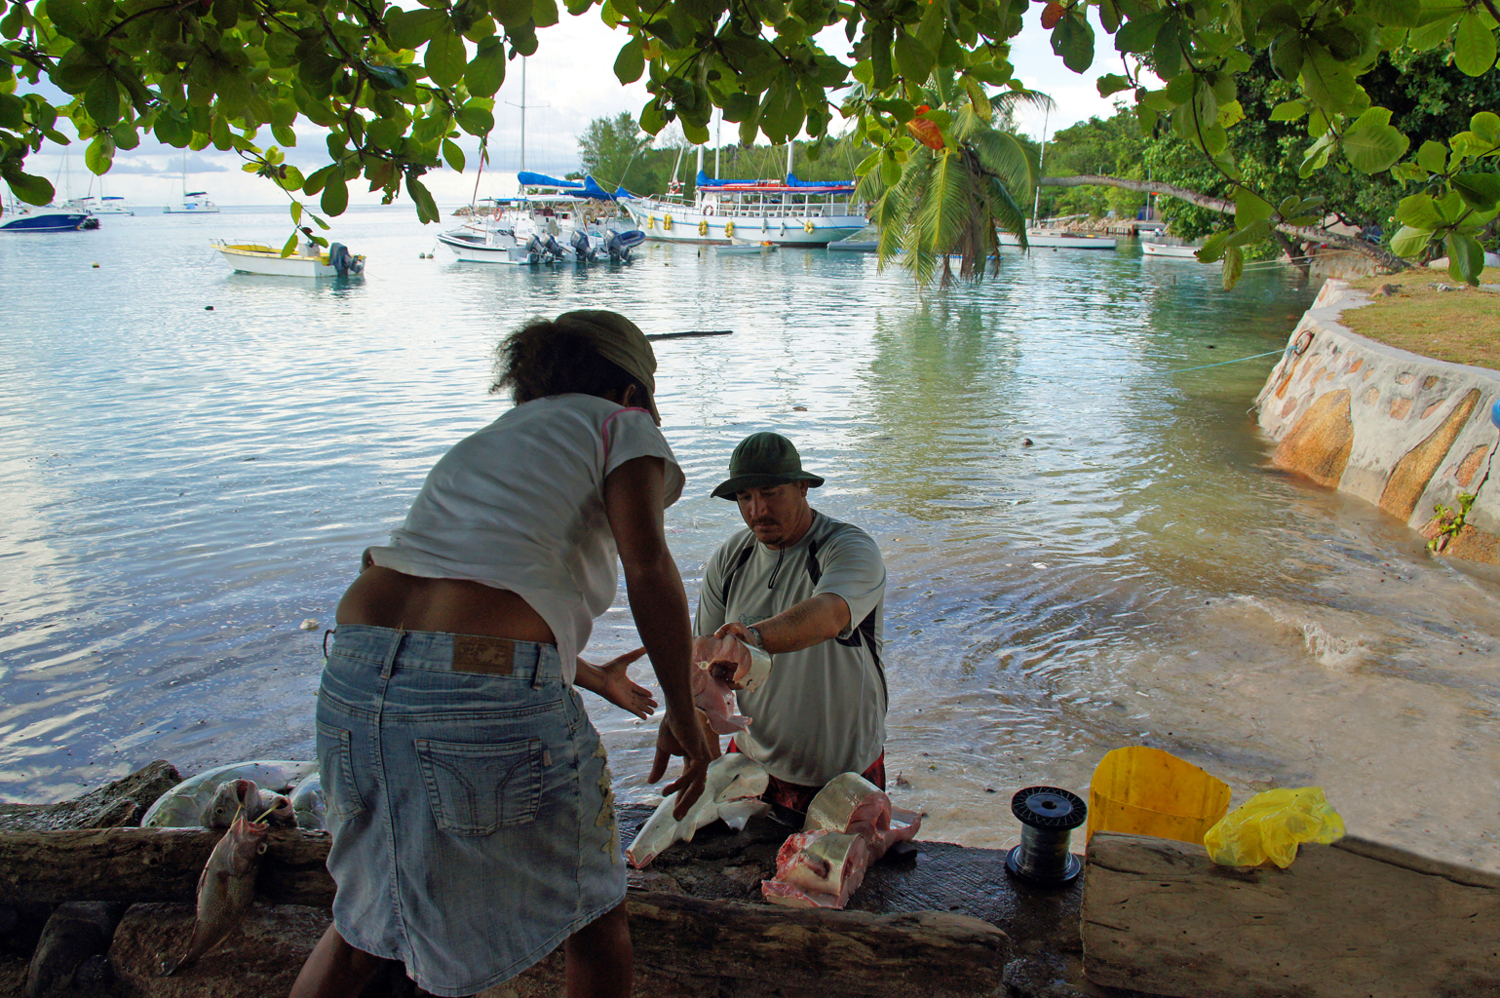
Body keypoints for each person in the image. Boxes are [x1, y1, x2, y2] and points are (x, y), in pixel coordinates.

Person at [290, 310, 713, 998]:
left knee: (366, 920)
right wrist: (685, 718)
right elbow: (648, 565)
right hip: (480, 692)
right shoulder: (619, 423)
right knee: (596, 914)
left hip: (355, 671)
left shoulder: (489, 440)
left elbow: (438, 612)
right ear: (632, 390)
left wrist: (586, 672)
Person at [691, 431, 888, 814]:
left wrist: (752, 637)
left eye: (770, 493)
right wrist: (705, 761)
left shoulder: (848, 547)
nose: (757, 510)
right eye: (745, 497)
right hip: (750, 765)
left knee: (843, 872)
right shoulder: (730, 559)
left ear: (803, 488)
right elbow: (703, 667)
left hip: (841, 770)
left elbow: (829, 614)